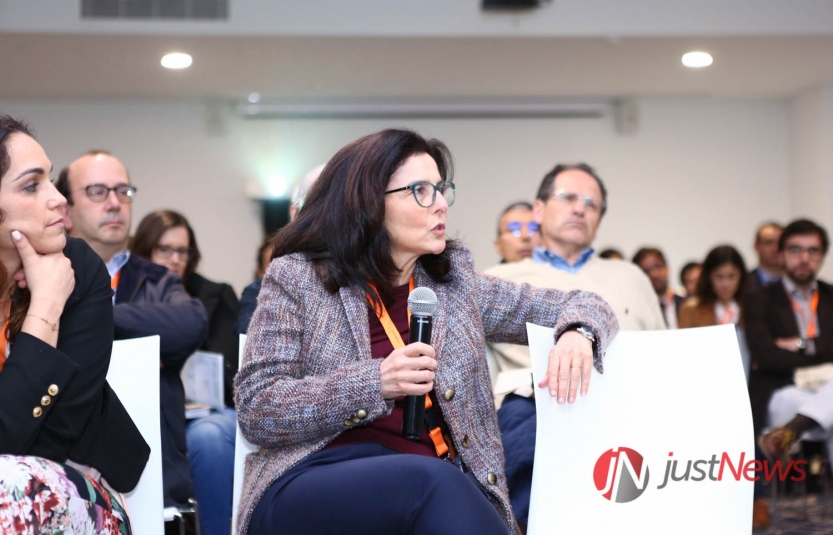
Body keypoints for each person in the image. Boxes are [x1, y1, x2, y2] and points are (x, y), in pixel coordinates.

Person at [235, 129, 618, 535]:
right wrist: (375, 383)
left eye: (441, 189)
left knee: (443, 485)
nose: (440, 204)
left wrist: (577, 332)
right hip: (314, 479)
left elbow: (588, 303)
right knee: (435, 483)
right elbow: (257, 408)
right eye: (420, 191)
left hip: (433, 483)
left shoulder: (454, 286)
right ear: (370, 203)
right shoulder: (299, 278)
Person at [483, 162, 663, 527]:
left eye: (591, 204)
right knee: (531, 455)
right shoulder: (500, 281)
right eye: (567, 198)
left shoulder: (631, 278)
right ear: (538, 210)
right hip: (536, 404)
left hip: (626, 402)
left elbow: (661, 354)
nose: (580, 208)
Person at [0, 116, 149, 533]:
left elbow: (47, 438)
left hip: (78, 486)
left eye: (49, 180)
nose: (58, 199)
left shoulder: (78, 268)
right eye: (32, 186)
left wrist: (46, 305)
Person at [56, 151, 207, 509]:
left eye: (123, 191)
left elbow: (190, 324)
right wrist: (142, 339)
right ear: (66, 209)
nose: (114, 203)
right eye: (97, 191)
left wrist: (89, 317)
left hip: (154, 468)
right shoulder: (37, 276)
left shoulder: (159, 279)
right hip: (65, 468)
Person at [131, 209, 238, 535]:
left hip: (208, 411)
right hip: (149, 409)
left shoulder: (214, 295)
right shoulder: (127, 293)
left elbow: (228, 369)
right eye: (164, 249)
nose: (175, 259)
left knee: (207, 439)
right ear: (145, 249)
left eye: (183, 251)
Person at [744, 218, 832, 528]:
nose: (804, 258)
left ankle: (791, 431)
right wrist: (819, 349)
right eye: (796, 249)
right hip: (781, 392)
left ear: (822, 256)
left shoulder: (832, 296)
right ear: (781, 254)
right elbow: (765, 355)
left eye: (813, 250)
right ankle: (793, 425)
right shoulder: (759, 299)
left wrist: (799, 344)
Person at [236, 165, 325, 336]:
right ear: (295, 212)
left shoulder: (357, 278)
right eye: (316, 208)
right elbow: (251, 333)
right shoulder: (261, 289)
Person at [678, 246, 747, 329]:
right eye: (719, 277)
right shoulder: (691, 310)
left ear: (741, 275)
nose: (726, 284)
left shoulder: (752, 306)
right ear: (708, 276)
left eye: (732, 276)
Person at [633, 246, 685, 329]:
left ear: (667, 268)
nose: (654, 274)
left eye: (658, 266)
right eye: (646, 270)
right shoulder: (635, 311)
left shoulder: (686, 305)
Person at [747, 222, 784, 292]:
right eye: (769, 242)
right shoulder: (744, 283)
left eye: (780, 243)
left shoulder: (797, 281)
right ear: (756, 246)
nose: (776, 248)